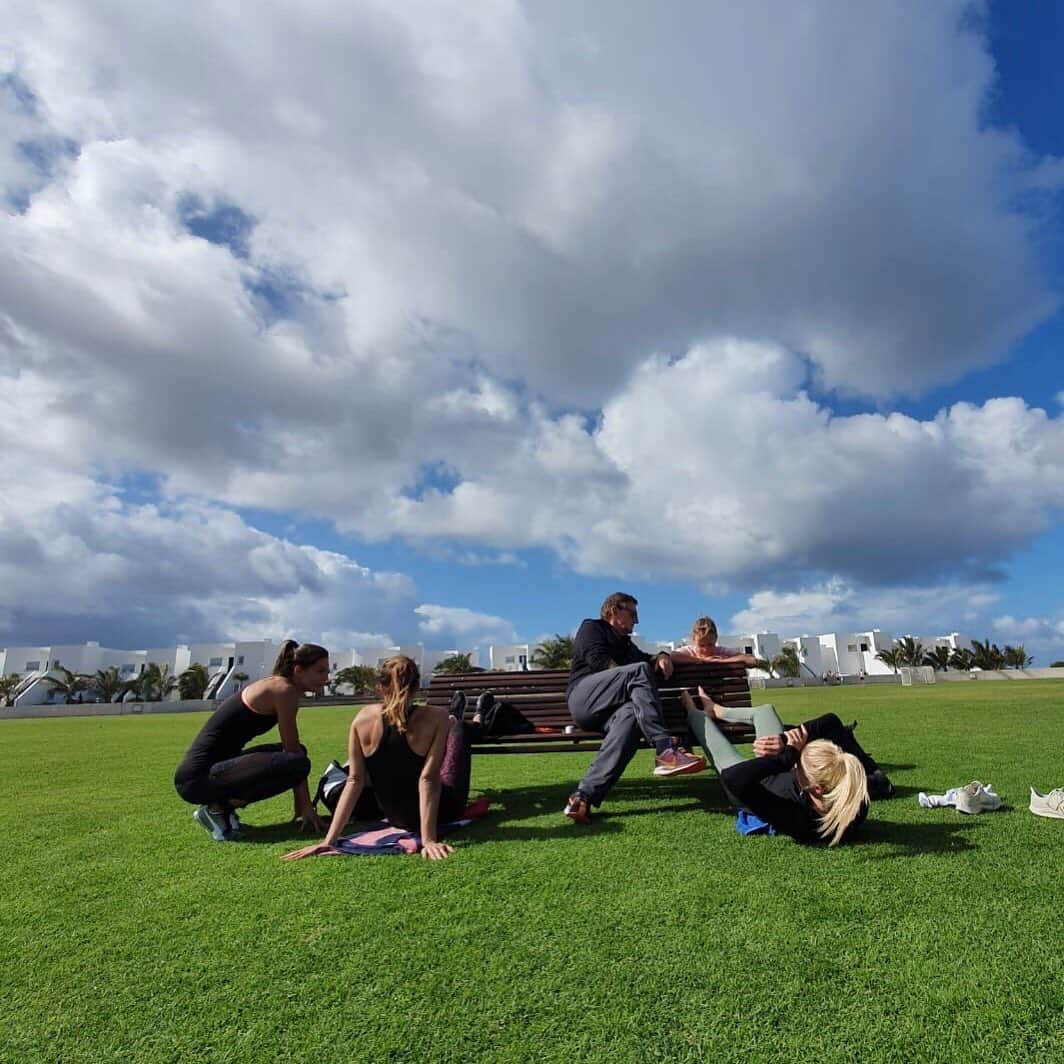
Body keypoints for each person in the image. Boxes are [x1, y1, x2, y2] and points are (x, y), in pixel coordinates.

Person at [285, 655, 472, 861]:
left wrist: (329, 841)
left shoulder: (361, 718)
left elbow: (354, 781)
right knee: (460, 731)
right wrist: (428, 839)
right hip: (445, 811)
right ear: (417, 685)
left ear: (380, 687)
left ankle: (466, 718)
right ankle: (465, 718)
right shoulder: (437, 716)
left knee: (449, 734)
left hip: (397, 818)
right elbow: (428, 779)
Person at [563, 593, 707, 825]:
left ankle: (583, 797)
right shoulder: (592, 628)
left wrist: (660, 656)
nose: (636, 620)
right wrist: (636, 670)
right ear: (613, 610)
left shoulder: (627, 646)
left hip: (610, 712)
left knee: (631, 719)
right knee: (638, 670)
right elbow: (600, 662)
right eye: (632, 613)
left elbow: (645, 659)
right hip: (584, 698)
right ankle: (664, 750)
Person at [681, 688, 892, 845]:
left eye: (798, 764)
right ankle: (716, 709)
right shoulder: (853, 794)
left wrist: (785, 757)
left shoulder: (797, 818)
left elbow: (733, 778)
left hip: (751, 782)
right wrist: (784, 742)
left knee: (703, 725)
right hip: (774, 767)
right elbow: (832, 722)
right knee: (765, 711)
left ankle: (692, 710)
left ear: (816, 788)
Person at [174, 640, 329, 841]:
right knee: (295, 761)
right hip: (196, 779)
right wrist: (305, 806)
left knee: (296, 757)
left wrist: (302, 805)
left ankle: (221, 809)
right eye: (320, 671)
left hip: (211, 772)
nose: (326, 678)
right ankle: (218, 809)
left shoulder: (278, 685)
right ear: (299, 670)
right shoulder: (284, 690)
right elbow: (292, 753)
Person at [671, 616, 758, 667]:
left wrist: (720, 661)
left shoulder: (720, 651)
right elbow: (672, 656)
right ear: (693, 640)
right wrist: (702, 660)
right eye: (701, 645)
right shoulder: (689, 651)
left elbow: (750, 659)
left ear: (716, 639)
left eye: (710, 644)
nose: (706, 649)